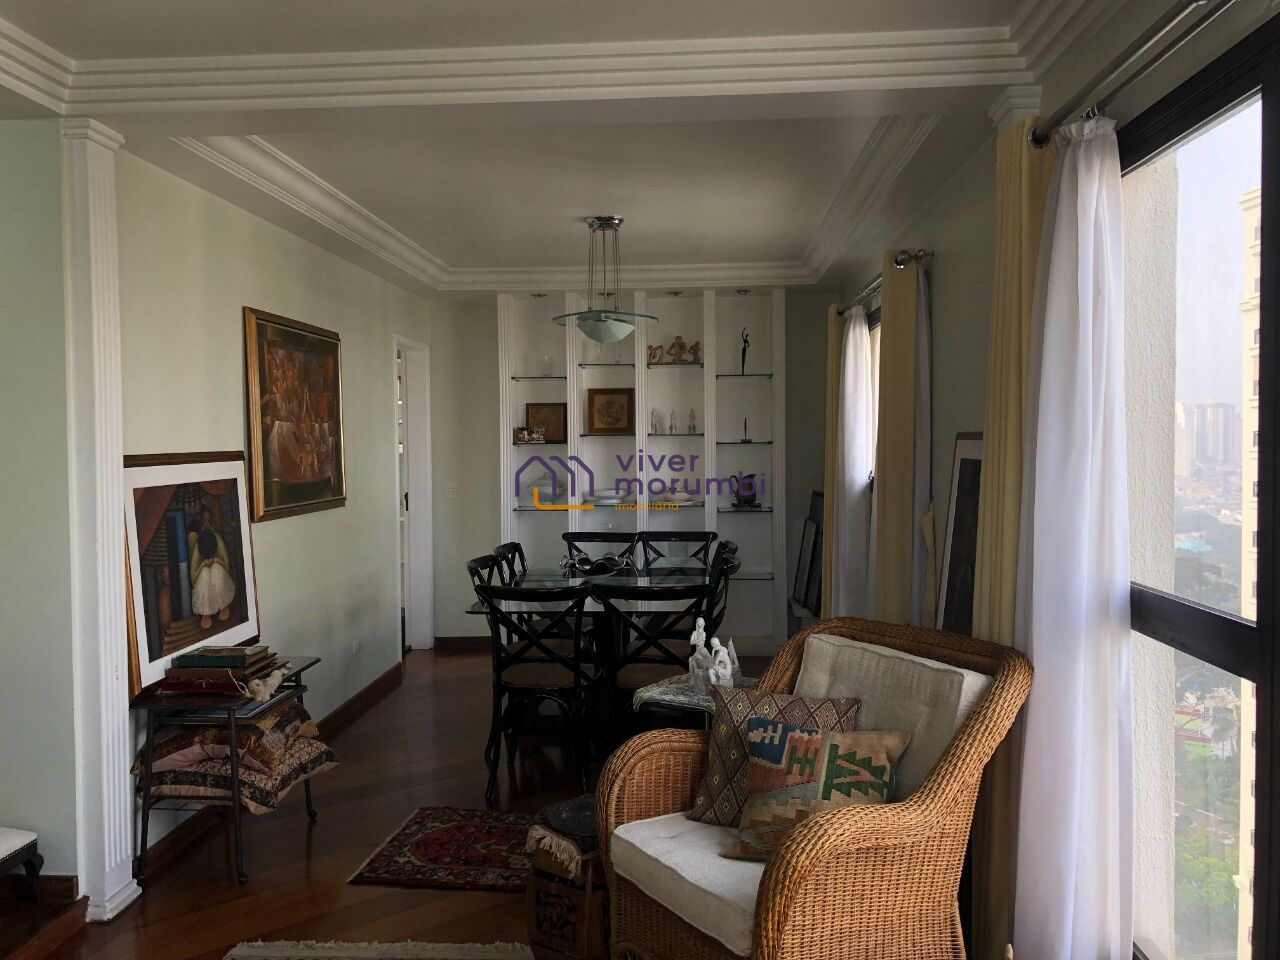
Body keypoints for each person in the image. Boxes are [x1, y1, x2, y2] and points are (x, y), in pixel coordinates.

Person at [188, 507, 236, 629]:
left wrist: (215, 561)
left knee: (216, 570)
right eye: (204, 521)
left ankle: (223, 606)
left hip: (217, 572)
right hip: (203, 577)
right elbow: (193, 573)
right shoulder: (198, 541)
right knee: (205, 574)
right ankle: (205, 613)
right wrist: (203, 565)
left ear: (211, 521)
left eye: (208, 520)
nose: (206, 524)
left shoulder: (217, 538)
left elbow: (225, 562)